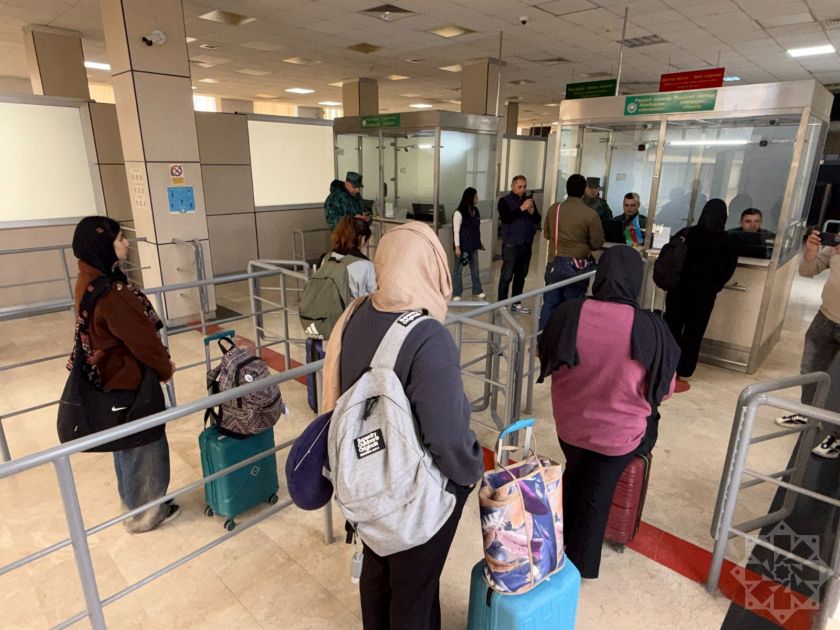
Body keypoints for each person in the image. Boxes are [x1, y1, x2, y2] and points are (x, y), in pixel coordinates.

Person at [321, 221, 483, 630]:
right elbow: (446, 435)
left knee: (378, 573)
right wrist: (468, 474)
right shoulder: (427, 336)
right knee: (414, 594)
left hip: (363, 482)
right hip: (409, 495)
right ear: (432, 268)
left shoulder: (356, 314)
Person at [537, 246, 679, 579]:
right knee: (596, 497)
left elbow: (544, 355)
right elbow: (665, 390)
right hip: (617, 440)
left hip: (570, 429)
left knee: (576, 476)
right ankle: (577, 571)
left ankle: (554, 545)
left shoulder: (568, 313)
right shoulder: (651, 328)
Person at [71, 216, 179, 533]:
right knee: (144, 445)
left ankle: (135, 504)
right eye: (119, 239)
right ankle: (146, 515)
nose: (126, 243)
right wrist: (164, 368)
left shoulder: (89, 279)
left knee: (127, 446)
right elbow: (143, 341)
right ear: (102, 245)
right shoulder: (111, 294)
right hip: (129, 381)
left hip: (111, 380)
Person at [775, 229, 840, 459]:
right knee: (810, 369)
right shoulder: (835, 245)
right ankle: (808, 413)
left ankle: (837, 434)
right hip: (825, 318)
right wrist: (811, 253)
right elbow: (807, 271)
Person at [663, 199, 739, 389]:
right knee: (694, 333)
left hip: (678, 291)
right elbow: (727, 271)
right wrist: (714, 287)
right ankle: (685, 370)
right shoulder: (728, 242)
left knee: (672, 328)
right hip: (704, 296)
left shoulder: (687, 234)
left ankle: (667, 366)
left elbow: (671, 258)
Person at [539, 173, 605, 331]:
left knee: (549, 303)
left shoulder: (555, 209)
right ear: (584, 190)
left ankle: (542, 338)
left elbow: (547, 234)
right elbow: (597, 243)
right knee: (572, 306)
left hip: (554, 262)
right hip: (577, 266)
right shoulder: (590, 214)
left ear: (567, 189)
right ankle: (566, 338)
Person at [497, 175, 541, 313]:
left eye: (524, 187)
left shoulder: (529, 201)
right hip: (511, 244)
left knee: (521, 275)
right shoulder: (504, 201)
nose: (522, 190)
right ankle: (502, 303)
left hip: (526, 244)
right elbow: (506, 218)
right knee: (507, 275)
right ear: (512, 186)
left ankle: (516, 302)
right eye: (519, 186)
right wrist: (521, 208)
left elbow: (537, 220)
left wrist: (532, 212)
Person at [451, 187, 485, 301]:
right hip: (462, 247)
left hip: (473, 245)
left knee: (475, 269)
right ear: (470, 197)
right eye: (475, 196)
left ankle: (477, 290)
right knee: (458, 270)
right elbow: (456, 231)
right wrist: (457, 247)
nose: (477, 199)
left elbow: (476, 229)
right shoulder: (458, 212)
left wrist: (479, 242)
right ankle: (457, 293)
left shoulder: (476, 211)